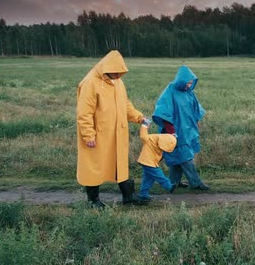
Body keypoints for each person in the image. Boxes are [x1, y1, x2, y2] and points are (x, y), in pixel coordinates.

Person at [76, 50, 147, 208]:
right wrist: (88, 136)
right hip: (98, 136)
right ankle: (93, 201)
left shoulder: (118, 82)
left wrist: (138, 116)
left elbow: (125, 104)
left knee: (120, 164)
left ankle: (128, 197)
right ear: (106, 68)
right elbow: (84, 113)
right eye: (115, 72)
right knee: (94, 167)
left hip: (117, 134)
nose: (118, 75)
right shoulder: (90, 83)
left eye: (120, 72)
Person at [152, 66, 210, 190]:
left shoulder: (189, 92)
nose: (189, 85)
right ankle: (196, 183)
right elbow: (164, 112)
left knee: (178, 155)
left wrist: (196, 122)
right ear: (181, 80)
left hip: (188, 129)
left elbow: (195, 108)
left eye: (191, 83)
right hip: (175, 130)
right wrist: (171, 131)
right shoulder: (170, 91)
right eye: (187, 82)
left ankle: (174, 182)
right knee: (185, 156)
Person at [136, 119, 178, 204]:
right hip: (147, 162)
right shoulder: (151, 139)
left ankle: (143, 195)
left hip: (150, 162)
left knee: (148, 179)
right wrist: (145, 125)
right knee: (159, 175)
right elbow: (143, 136)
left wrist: (174, 136)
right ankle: (169, 186)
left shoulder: (165, 139)